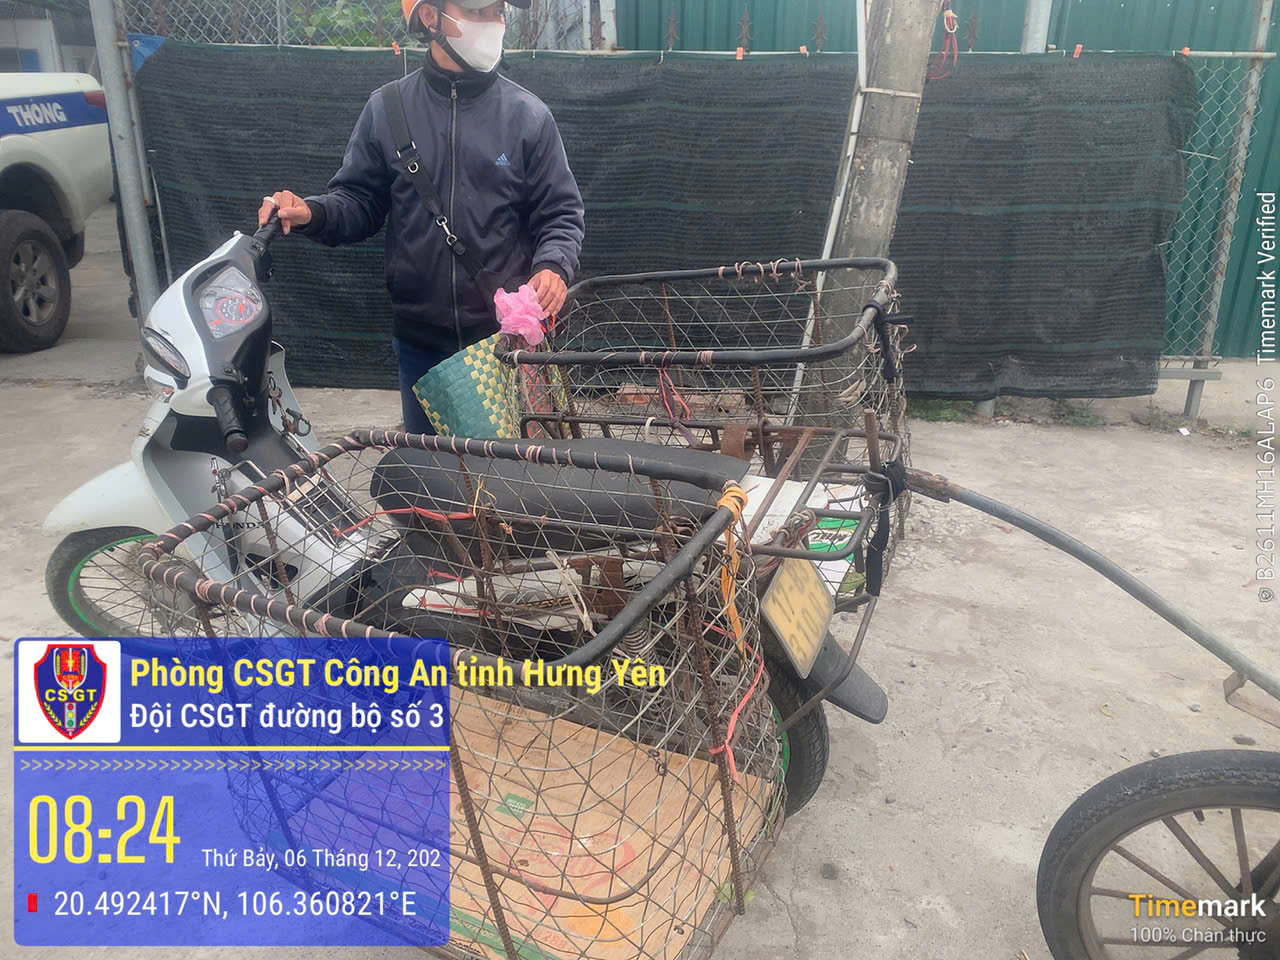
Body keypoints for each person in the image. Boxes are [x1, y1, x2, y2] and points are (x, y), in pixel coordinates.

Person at [259, 0, 585, 434]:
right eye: (478, 12)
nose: (494, 24)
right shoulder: (387, 108)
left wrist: (553, 266)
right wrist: (312, 212)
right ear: (430, 17)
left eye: (498, 12)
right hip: (420, 347)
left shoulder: (529, 116)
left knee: (515, 474)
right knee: (431, 473)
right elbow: (359, 201)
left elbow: (560, 212)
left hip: (507, 345)